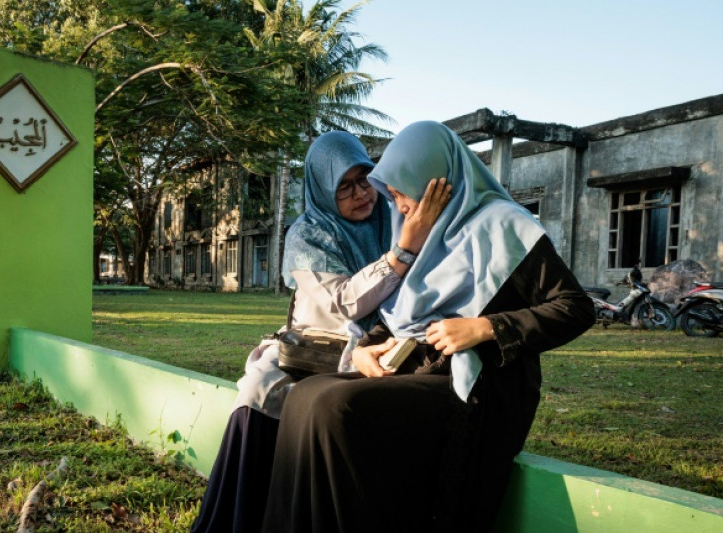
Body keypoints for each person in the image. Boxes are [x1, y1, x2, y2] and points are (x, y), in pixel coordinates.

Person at [260, 121, 596, 532]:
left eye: (402, 193)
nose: (399, 208)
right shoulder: (427, 234)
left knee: (336, 407)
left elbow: (576, 307)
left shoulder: (505, 225)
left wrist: (486, 328)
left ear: (436, 182)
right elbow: (400, 311)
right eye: (392, 196)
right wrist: (364, 350)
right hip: (418, 369)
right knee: (306, 395)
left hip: (479, 383)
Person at [191, 131, 451, 533]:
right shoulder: (308, 234)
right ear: (323, 190)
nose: (360, 194)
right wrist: (403, 250)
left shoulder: (393, 217)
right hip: (317, 344)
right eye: (343, 187)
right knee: (260, 390)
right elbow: (346, 301)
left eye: (364, 179)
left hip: (384, 340)